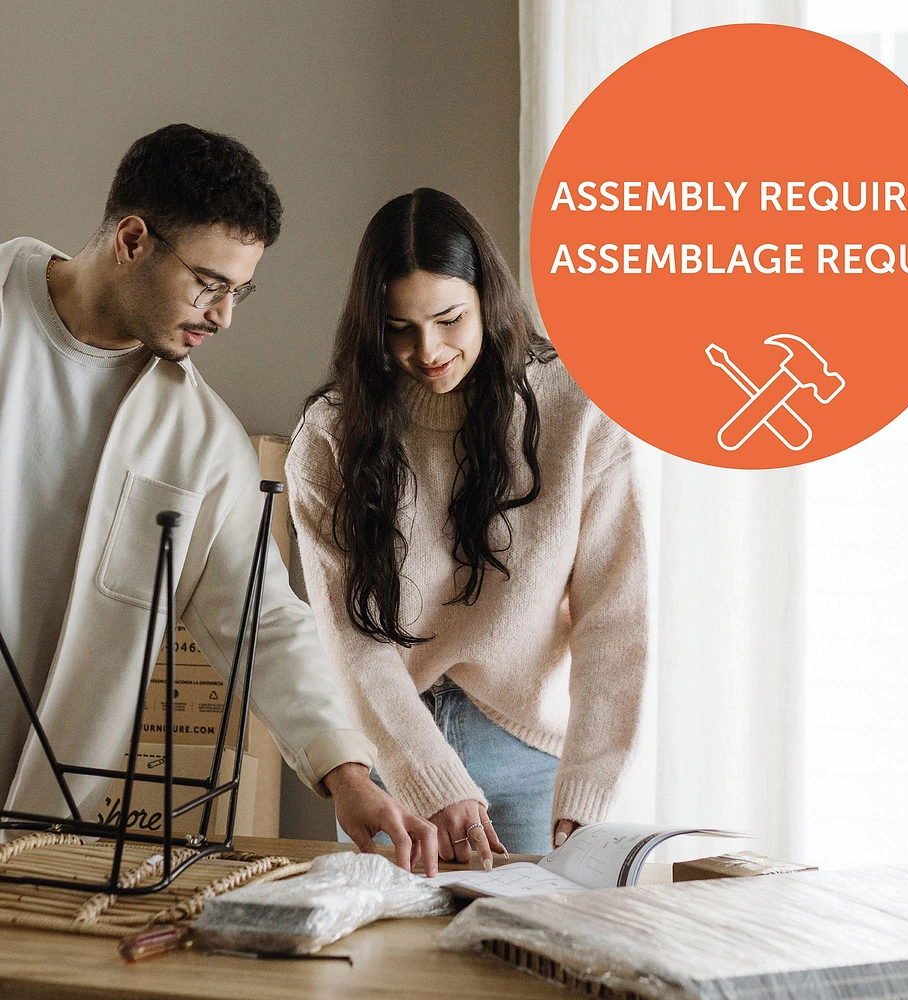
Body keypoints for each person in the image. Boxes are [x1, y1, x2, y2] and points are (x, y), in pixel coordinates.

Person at [0, 124, 438, 873]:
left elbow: (265, 619)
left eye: (239, 291)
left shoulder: (204, 444)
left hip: (33, 835)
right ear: (131, 240)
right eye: (208, 283)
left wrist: (348, 774)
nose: (224, 315)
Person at [286, 187, 648, 864]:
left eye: (449, 318)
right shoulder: (330, 437)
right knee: (386, 963)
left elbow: (614, 619)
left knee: (531, 961)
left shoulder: (576, 413)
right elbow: (350, 638)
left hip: (529, 755)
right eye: (399, 329)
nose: (428, 350)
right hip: (389, 749)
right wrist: (428, 774)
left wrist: (589, 790)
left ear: (488, 297)